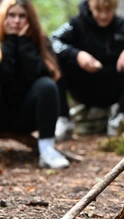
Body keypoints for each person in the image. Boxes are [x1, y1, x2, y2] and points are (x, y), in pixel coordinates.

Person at [51, 0, 124, 139]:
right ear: (90, 7)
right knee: (53, 59)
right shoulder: (76, 24)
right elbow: (51, 41)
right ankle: (64, 120)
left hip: (114, 90)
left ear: (114, 8)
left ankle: (118, 118)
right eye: (98, 10)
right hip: (82, 87)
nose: (103, 16)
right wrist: (77, 54)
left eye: (108, 11)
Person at [0, 0, 70, 169]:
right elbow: (4, 78)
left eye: (22, 16)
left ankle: (47, 150)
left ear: (29, 19)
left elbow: (45, 76)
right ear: (3, 16)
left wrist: (23, 44)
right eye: (12, 15)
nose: (17, 21)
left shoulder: (40, 42)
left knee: (46, 85)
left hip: (27, 116)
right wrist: (9, 41)